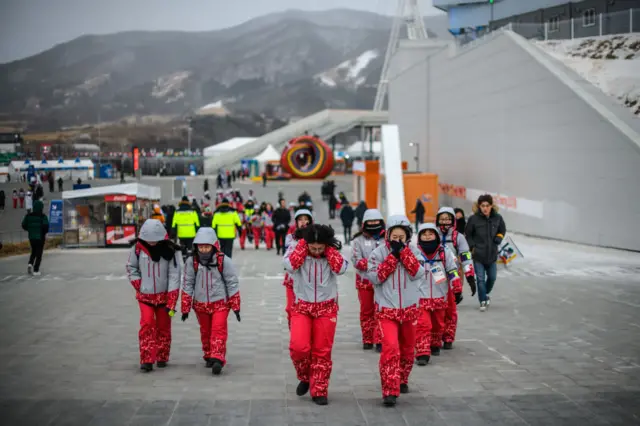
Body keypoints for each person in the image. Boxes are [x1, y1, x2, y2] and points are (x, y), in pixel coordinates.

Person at [284, 224, 348, 406]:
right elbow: (288, 265)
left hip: (326, 308)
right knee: (299, 347)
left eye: (321, 248)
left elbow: (342, 269)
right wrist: (303, 247)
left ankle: (319, 389)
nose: (317, 251)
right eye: (314, 247)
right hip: (302, 306)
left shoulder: (330, 253)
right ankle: (305, 376)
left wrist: (329, 252)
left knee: (322, 351)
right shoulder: (298, 250)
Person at [367, 215, 424, 406]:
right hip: (387, 310)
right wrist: (392, 257)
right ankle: (390, 390)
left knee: (408, 349)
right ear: (388, 235)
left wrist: (404, 254)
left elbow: (419, 273)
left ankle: (402, 378)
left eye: (401, 237)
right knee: (391, 348)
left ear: (407, 237)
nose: (397, 240)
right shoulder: (378, 253)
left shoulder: (414, 252)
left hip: (409, 309)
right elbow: (375, 278)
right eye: (394, 236)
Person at [181, 228, 241, 375]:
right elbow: (188, 283)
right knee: (206, 331)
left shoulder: (223, 260)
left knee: (218, 330)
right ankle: (209, 354)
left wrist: (235, 305)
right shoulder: (192, 261)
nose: (204, 250)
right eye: (201, 247)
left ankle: (218, 358)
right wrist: (185, 307)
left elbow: (232, 282)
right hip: (200, 304)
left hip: (220, 302)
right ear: (196, 246)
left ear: (214, 245)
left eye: (207, 246)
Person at [126, 219, 182, 372]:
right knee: (147, 324)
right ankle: (147, 359)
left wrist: (172, 300)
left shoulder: (171, 251)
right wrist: (140, 285)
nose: (151, 243)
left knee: (163, 327)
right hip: (145, 297)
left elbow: (174, 276)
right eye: (148, 240)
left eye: (154, 240)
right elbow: (131, 268)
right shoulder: (137, 249)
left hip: (164, 297)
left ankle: (162, 355)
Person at [414, 223, 461, 365]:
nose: (427, 236)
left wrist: (457, 288)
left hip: (440, 295)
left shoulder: (444, 252)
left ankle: (434, 343)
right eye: (424, 234)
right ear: (419, 236)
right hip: (420, 297)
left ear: (436, 235)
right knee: (422, 325)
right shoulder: (414, 252)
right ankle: (422, 352)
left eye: (431, 234)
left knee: (438, 324)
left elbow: (452, 270)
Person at [436, 207, 476, 349]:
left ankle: (448, 336)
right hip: (435, 278)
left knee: (451, 309)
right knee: (435, 308)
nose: (445, 222)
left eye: (448, 219)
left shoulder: (458, 237)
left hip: (453, 276)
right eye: (442, 219)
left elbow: (465, 256)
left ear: (453, 221)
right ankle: (435, 336)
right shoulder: (431, 234)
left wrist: (470, 276)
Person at [350, 209, 385, 351]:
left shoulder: (387, 238)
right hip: (364, 282)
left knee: (381, 310)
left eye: (376, 221)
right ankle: (368, 338)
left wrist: (379, 266)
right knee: (366, 311)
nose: (373, 224)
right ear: (364, 223)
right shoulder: (358, 240)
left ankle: (380, 338)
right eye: (370, 222)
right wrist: (375, 264)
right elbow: (356, 261)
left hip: (383, 281)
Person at [465, 194, 507, 312]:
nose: (485, 208)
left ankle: (485, 293)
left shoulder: (497, 218)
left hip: (492, 255)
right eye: (482, 206)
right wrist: (472, 246)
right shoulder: (474, 219)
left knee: (492, 278)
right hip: (478, 255)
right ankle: (482, 300)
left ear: (491, 206)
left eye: (487, 205)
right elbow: (468, 234)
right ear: (479, 206)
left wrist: (499, 237)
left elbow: (502, 229)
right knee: (480, 279)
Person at [282, 209, 313, 328]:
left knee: (306, 310)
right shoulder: (291, 238)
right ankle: (294, 331)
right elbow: (288, 257)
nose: (303, 222)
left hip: (309, 279)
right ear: (296, 222)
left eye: (306, 219)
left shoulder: (316, 236)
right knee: (291, 308)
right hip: (292, 279)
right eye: (300, 219)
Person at [22, 200, 49, 276]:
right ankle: (36, 270)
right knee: (39, 254)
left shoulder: (28, 215)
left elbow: (23, 225)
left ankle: (30, 263)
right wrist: (43, 233)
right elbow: (46, 227)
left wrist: (30, 230)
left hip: (31, 237)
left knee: (33, 251)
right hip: (40, 237)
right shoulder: (43, 216)